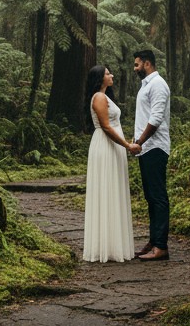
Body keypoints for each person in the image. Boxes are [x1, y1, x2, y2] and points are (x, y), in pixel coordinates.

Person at [82, 64, 138, 262]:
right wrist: (126, 145)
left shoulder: (105, 97)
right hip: (106, 146)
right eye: (107, 73)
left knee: (113, 190)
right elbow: (106, 126)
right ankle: (104, 246)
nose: (111, 75)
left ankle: (113, 244)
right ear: (99, 78)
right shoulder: (98, 97)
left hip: (113, 147)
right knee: (106, 190)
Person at [131, 49, 171, 261]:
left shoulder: (158, 85)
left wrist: (139, 142)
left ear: (147, 64)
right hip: (146, 149)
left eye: (137, 64)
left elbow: (155, 119)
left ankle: (161, 247)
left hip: (154, 147)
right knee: (150, 197)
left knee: (158, 197)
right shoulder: (146, 85)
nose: (135, 68)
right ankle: (154, 240)